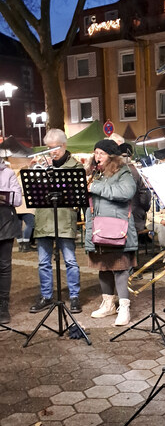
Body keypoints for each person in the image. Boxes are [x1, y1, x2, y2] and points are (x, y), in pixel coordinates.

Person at [29, 129, 82, 314]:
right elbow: (32, 192)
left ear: (64, 145)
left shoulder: (75, 167)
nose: (52, 152)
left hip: (64, 219)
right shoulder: (42, 166)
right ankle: (46, 296)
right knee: (43, 262)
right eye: (49, 148)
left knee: (70, 261)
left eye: (56, 148)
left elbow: (77, 195)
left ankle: (74, 296)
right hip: (44, 219)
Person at [86, 139, 137, 325]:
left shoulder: (123, 172)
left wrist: (94, 187)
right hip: (98, 228)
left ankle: (124, 308)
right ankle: (108, 304)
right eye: (96, 152)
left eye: (101, 153)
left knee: (120, 268)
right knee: (103, 267)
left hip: (117, 229)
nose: (97, 156)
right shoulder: (95, 174)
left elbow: (126, 192)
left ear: (111, 155)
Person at [0, 158, 22, 323]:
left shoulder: (7, 173)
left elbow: (18, 200)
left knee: (4, 266)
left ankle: (3, 305)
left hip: (5, 221)